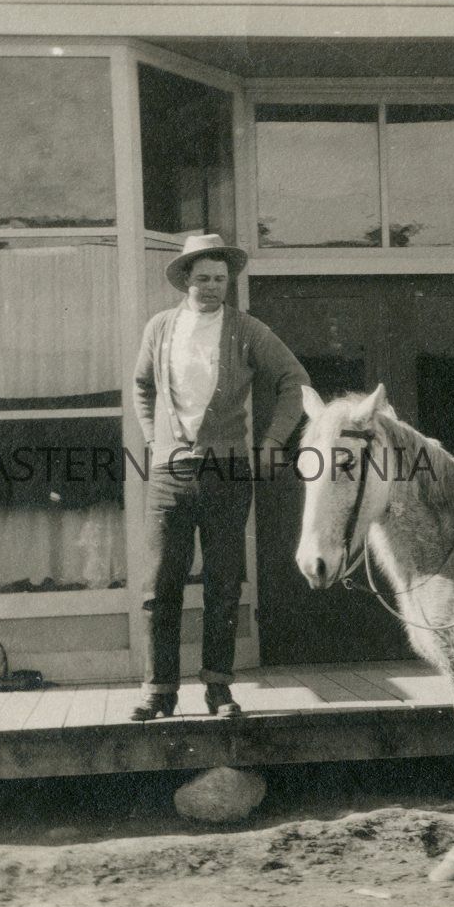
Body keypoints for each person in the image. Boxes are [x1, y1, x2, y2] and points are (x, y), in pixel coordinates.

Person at [130, 234, 309, 720]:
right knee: (159, 586)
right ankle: (159, 691)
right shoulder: (160, 327)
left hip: (227, 473)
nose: (212, 287)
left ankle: (218, 689)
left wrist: (272, 441)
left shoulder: (246, 329)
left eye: (220, 279)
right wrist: (153, 439)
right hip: (169, 473)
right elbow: (142, 385)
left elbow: (295, 381)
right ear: (185, 279)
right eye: (203, 278)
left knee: (223, 585)